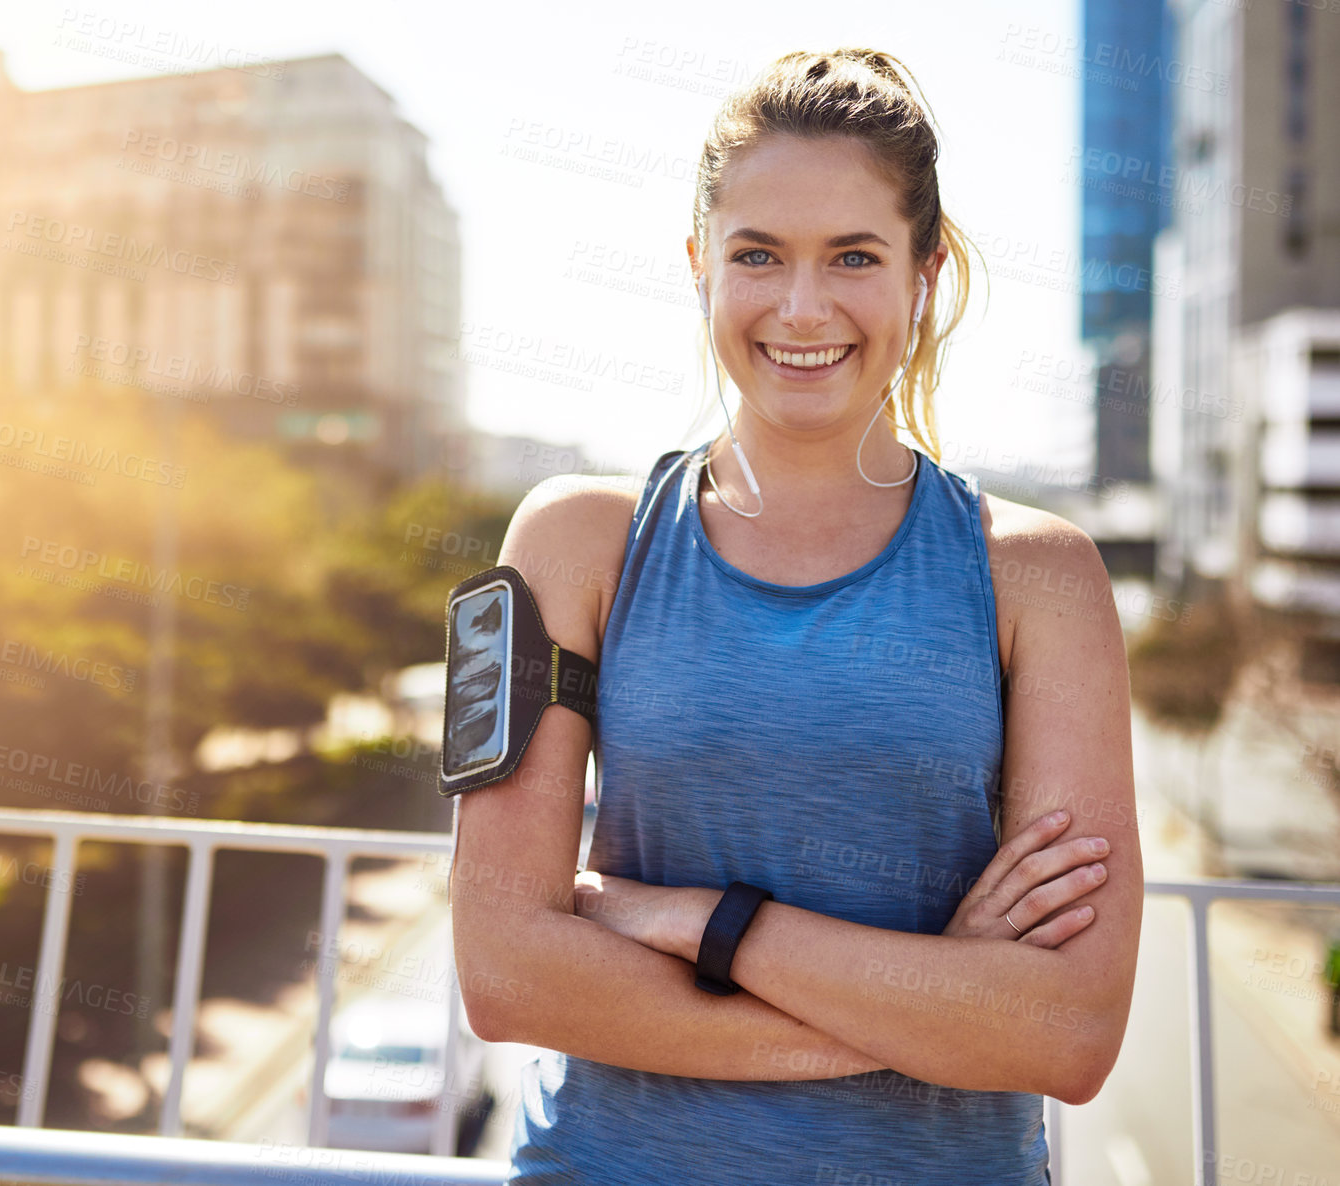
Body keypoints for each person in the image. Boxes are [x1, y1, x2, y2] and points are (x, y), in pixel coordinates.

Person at [447, 48, 1142, 1185]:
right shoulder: (563, 544)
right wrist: (931, 1001)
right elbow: (504, 972)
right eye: (756, 255)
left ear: (924, 273)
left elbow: (1064, 1033)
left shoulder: (1046, 577)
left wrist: (703, 924)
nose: (800, 306)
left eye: (853, 257)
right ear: (696, 267)